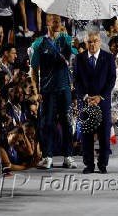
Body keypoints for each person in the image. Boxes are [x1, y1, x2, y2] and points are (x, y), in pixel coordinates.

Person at [30, 14, 76, 169]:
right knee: (46, 124)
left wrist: (77, 44)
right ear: (47, 23)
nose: (58, 23)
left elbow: (78, 53)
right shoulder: (39, 43)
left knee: (67, 122)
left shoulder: (67, 40)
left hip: (64, 88)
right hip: (47, 90)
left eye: (60, 21)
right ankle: (47, 156)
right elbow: (34, 70)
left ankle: (68, 156)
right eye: (55, 21)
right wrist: (36, 91)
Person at [73, 31, 116, 174]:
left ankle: (103, 164)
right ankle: (89, 165)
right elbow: (76, 80)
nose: (92, 44)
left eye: (95, 41)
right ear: (85, 43)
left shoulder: (108, 58)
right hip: (85, 102)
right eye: (89, 42)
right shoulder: (79, 58)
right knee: (86, 136)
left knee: (104, 135)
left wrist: (100, 97)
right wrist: (86, 97)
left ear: (100, 42)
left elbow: (111, 80)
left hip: (102, 103)